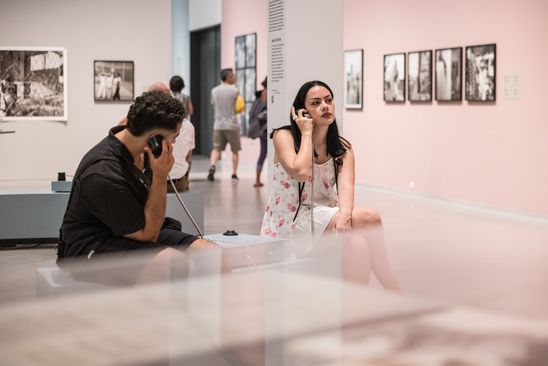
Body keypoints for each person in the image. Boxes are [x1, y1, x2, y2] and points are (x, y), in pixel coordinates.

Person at [57, 90, 214, 280]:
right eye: (174, 137)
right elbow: (148, 236)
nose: (174, 142)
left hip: (131, 227)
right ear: (154, 139)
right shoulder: (103, 174)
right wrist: (160, 176)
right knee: (172, 263)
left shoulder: (143, 150)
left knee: (212, 254)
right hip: (91, 244)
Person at [260, 80, 400, 290]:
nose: (325, 106)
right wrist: (306, 133)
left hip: (326, 216)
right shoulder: (284, 136)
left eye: (328, 100)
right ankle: (394, 290)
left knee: (360, 246)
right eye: (316, 103)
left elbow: (346, 188)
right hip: (291, 221)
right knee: (371, 217)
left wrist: (344, 217)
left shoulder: (342, 148)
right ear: (302, 112)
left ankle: (353, 309)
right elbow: (301, 171)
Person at [207, 68, 241, 181]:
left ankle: (212, 166)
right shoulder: (235, 90)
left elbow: (213, 105)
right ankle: (234, 173)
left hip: (218, 124)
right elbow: (239, 107)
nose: (234, 77)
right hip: (232, 124)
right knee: (234, 150)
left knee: (216, 148)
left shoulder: (214, 91)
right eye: (233, 76)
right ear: (228, 77)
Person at [247, 77, 268, 187]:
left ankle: (257, 179)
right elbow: (264, 113)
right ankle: (257, 180)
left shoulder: (259, 94)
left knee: (263, 153)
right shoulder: (267, 93)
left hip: (261, 129)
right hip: (265, 129)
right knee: (264, 153)